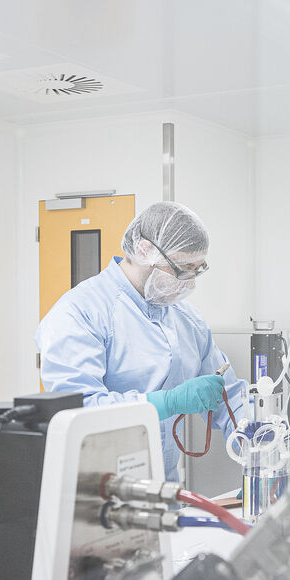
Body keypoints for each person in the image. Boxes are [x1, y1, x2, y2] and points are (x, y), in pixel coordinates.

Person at [36, 201, 246, 481]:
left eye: (197, 270)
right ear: (144, 250)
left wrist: (254, 441)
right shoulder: (80, 312)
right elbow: (78, 408)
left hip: (164, 488)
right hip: (96, 488)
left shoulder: (188, 319)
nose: (190, 282)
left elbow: (228, 393)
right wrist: (166, 403)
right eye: (182, 268)